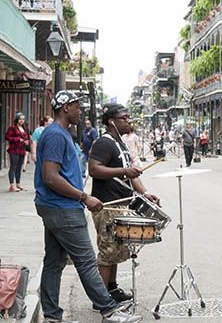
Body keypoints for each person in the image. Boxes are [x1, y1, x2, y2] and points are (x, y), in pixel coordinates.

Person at [34, 91, 142, 323]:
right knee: (86, 260)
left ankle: (52, 316)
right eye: (76, 106)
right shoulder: (55, 135)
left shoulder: (61, 134)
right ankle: (109, 310)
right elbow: (50, 177)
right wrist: (84, 197)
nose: (80, 110)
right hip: (62, 207)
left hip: (56, 206)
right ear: (65, 108)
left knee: (53, 262)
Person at [89, 103, 160, 306]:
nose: (129, 120)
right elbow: (94, 169)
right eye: (125, 118)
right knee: (107, 252)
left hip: (121, 203)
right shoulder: (104, 143)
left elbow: (130, 175)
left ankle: (112, 288)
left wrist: (145, 193)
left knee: (117, 250)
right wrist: (123, 172)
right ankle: (101, 300)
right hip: (108, 205)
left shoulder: (120, 143)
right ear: (112, 121)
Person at [5, 112, 30, 192]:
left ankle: (18, 184)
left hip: (22, 150)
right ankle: (12, 186)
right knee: (13, 167)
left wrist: (27, 142)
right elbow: (7, 137)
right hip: (14, 150)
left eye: (23, 119)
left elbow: (27, 138)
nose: (22, 121)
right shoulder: (12, 127)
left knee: (19, 168)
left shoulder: (25, 128)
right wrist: (18, 140)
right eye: (20, 119)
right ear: (17, 119)